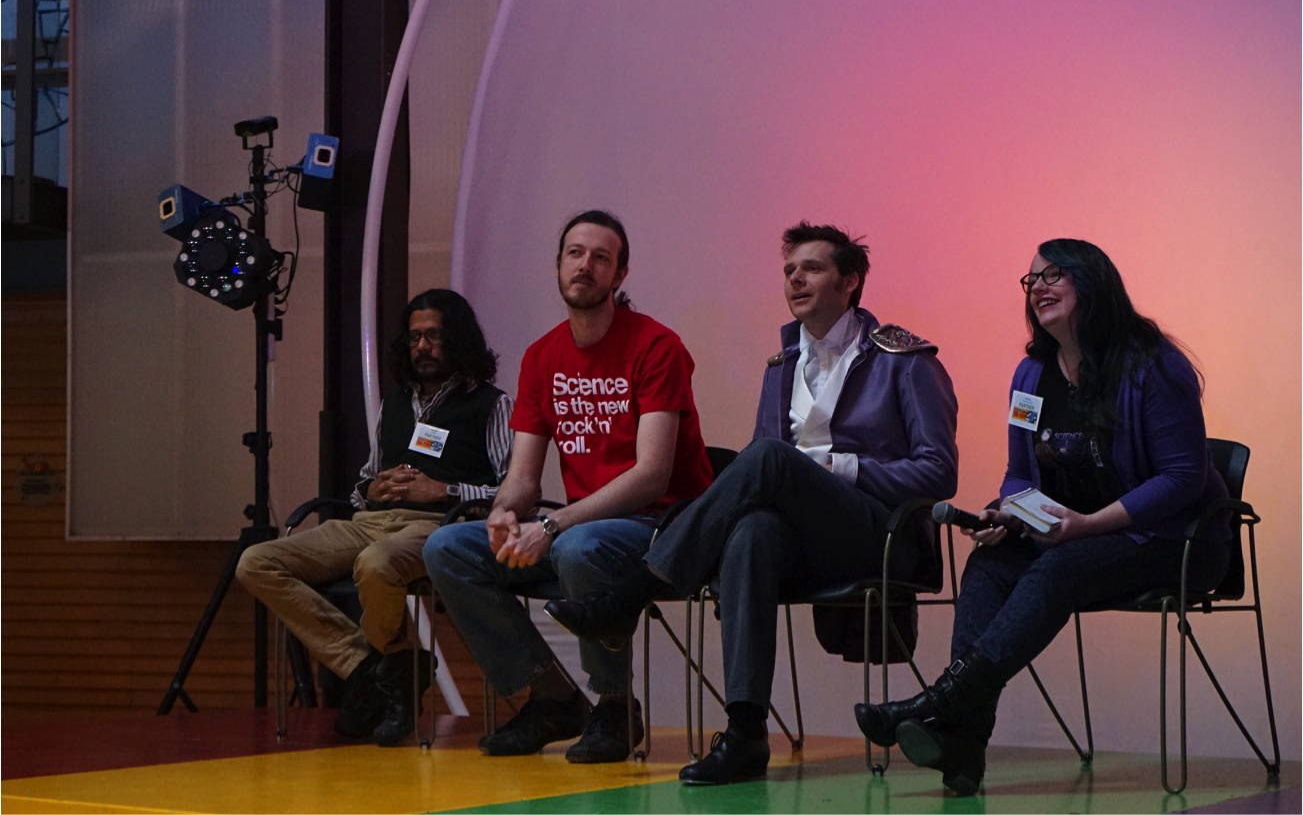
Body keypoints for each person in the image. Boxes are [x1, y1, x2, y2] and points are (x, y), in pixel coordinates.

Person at [545, 222, 960, 785]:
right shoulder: (780, 367)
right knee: (752, 532)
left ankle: (633, 592)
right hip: (806, 540)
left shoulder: (905, 360)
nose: (795, 279)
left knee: (766, 458)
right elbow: (763, 484)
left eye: (811, 268)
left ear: (851, 282)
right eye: (789, 270)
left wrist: (836, 467)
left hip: (881, 535)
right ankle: (745, 734)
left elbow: (940, 471)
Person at [855, 238, 1232, 796]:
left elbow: (1182, 479)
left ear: (1094, 282)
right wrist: (1009, 512)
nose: (1038, 287)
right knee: (989, 563)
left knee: (1059, 568)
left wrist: (1084, 526)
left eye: (1055, 274)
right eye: (1031, 279)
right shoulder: (1030, 376)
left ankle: (940, 703)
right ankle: (963, 743)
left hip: (1178, 542)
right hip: (1083, 543)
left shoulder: (1155, 365)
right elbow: (1019, 473)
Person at [423, 210, 713, 764]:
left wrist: (553, 525)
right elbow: (524, 478)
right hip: (581, 523)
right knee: (445, 549)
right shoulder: (541, 356)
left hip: (664, 526)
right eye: (575, 253)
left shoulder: (657, 346)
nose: (586, 265)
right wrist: (505, 513)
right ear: (558, 266)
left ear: (619, 276)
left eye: (601, 257)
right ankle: (552, 697)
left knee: (582, 548)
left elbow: (652, 474)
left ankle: (614, 706)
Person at [237, 289, 512, 746]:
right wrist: (371, 489)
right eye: (414, 337)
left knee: (376, 564)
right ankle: (378, 665)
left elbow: (511, 491)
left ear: (458, 339)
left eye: (434, 336)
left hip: (439, 528)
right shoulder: (395, 404)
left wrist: (444, 490)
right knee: (256, 562)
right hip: (370, 521)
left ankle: (387, 669)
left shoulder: (491, 403)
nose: (422, 346)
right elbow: (364, 481)